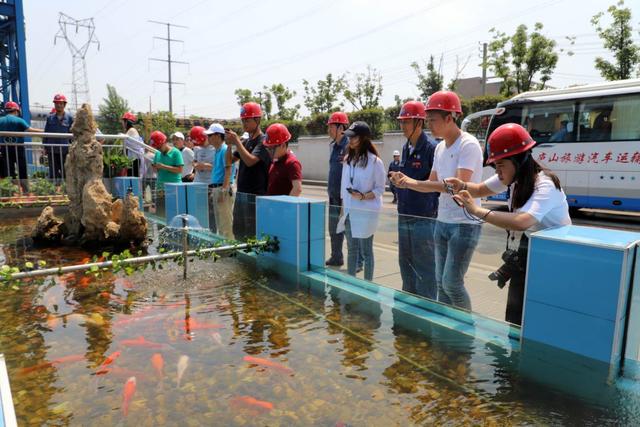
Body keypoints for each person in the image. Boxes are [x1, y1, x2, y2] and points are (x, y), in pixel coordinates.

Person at [448, 123, 571, 325]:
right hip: (530, 248)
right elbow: (479, 189)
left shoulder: (544, 184)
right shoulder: (513, 178)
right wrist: (461, 185)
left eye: (500, 165)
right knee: (514, 314)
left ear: (520, 160)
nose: (498, 172)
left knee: (537, 318)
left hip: (555, 256)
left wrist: (478, 211)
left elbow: (522, 222)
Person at [389, 91, 484, 311]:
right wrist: (406, 182)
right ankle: (443, 329)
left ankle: (464, 335)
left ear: (450, 117)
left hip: (463, 223)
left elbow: (458, 186)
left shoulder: (467, 145)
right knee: (441, 283)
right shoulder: (440, 147)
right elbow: (432, 183)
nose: (429, 124)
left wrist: (412, 182)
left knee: (452, 283)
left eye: (432, 119)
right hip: (442, 220)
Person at [394, 101, 439, 299]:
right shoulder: (405, 148)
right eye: (401, 122)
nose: (402, 126)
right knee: (405, 262)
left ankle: (426, 310)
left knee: (425, 266)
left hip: (423, 217)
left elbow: (435, 186)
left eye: (407, 122)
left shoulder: (432, 148)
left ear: (419, 123)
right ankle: (409, 303)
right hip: (404, 214)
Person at [337, 121, 385, 281]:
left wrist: (363, 196)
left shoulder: (375, 162)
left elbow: (380, 189)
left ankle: (368, 285)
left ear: (364, 138)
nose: (350, 140)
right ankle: (351, 284)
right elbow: (344, 187)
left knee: (366, 251)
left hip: (366, 212)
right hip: (350, 212)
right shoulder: (347, 161)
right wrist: (342, 212)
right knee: (351, 250)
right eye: (348, 136)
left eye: (354, 137)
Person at [225, 102, 271, 240]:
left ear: (257, 120)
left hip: (255, 195)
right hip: (242, 193)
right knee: (238, 230)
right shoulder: (246, 142)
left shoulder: (263, 141)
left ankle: (252, 260)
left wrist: (237, 142)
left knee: (252, 232)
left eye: (247, 120)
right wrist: (229, 145)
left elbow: (251, 161)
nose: (244, 123)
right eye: (243, 120)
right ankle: (241, 259)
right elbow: (229, 161)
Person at [326, 112, 349, 267]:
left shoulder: (349, 146)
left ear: (341, 127)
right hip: (333, 195)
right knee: (333, 228)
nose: (329, 130)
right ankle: (336, 256)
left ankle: (357, 260)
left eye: (331, 126)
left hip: (345, 197)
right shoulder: (334, 146)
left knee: (349, 230)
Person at [0, 102, 43, 187]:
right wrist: (44, 132)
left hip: (5, 148)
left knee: (9, 169)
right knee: (22, 168)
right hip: (18, 148)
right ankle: (25, 190)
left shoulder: (1, 120)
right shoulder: (19, 120)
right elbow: (30, 130)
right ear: (16, 111)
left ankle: (10, 189)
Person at [205, 123, 235, 239]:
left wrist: (223, 190)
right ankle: (225, 251)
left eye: (210, 135)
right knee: (220, 224)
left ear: (218, 135)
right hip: (218, 188)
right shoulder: (218, 150)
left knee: (226, 224)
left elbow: (228, 170)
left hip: (223, 189)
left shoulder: (224, 149)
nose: (208, 138)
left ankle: (229, 252)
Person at [263, 123, 303, 196]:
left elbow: (297, 189)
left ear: (283, 145)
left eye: (272, 148)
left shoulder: (292, 163)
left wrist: (286, 206)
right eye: (268, 148)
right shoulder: (276, 160)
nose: (269, 151)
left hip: (281, 206)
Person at [43, 94, 73, 182]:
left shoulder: (70, 118)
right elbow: (46, 133)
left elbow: (72, 134)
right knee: (53, 173)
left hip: (65, 151)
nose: (58, 105)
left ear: (64, 104)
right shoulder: (50, 118)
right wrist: (45, 147)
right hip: (52, 150)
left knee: (66, 172)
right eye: (56, 103)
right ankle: (54, 193)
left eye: (60, 103)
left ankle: (66, 191)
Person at [121, 111, 143, 177]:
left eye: (123, 121)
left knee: (132, 178)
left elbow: (135, 145)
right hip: (133, 159)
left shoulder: (131, 130)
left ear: (127, 122)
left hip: (134, 159)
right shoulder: (131, 130)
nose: (122, 124)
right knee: (132, 178)